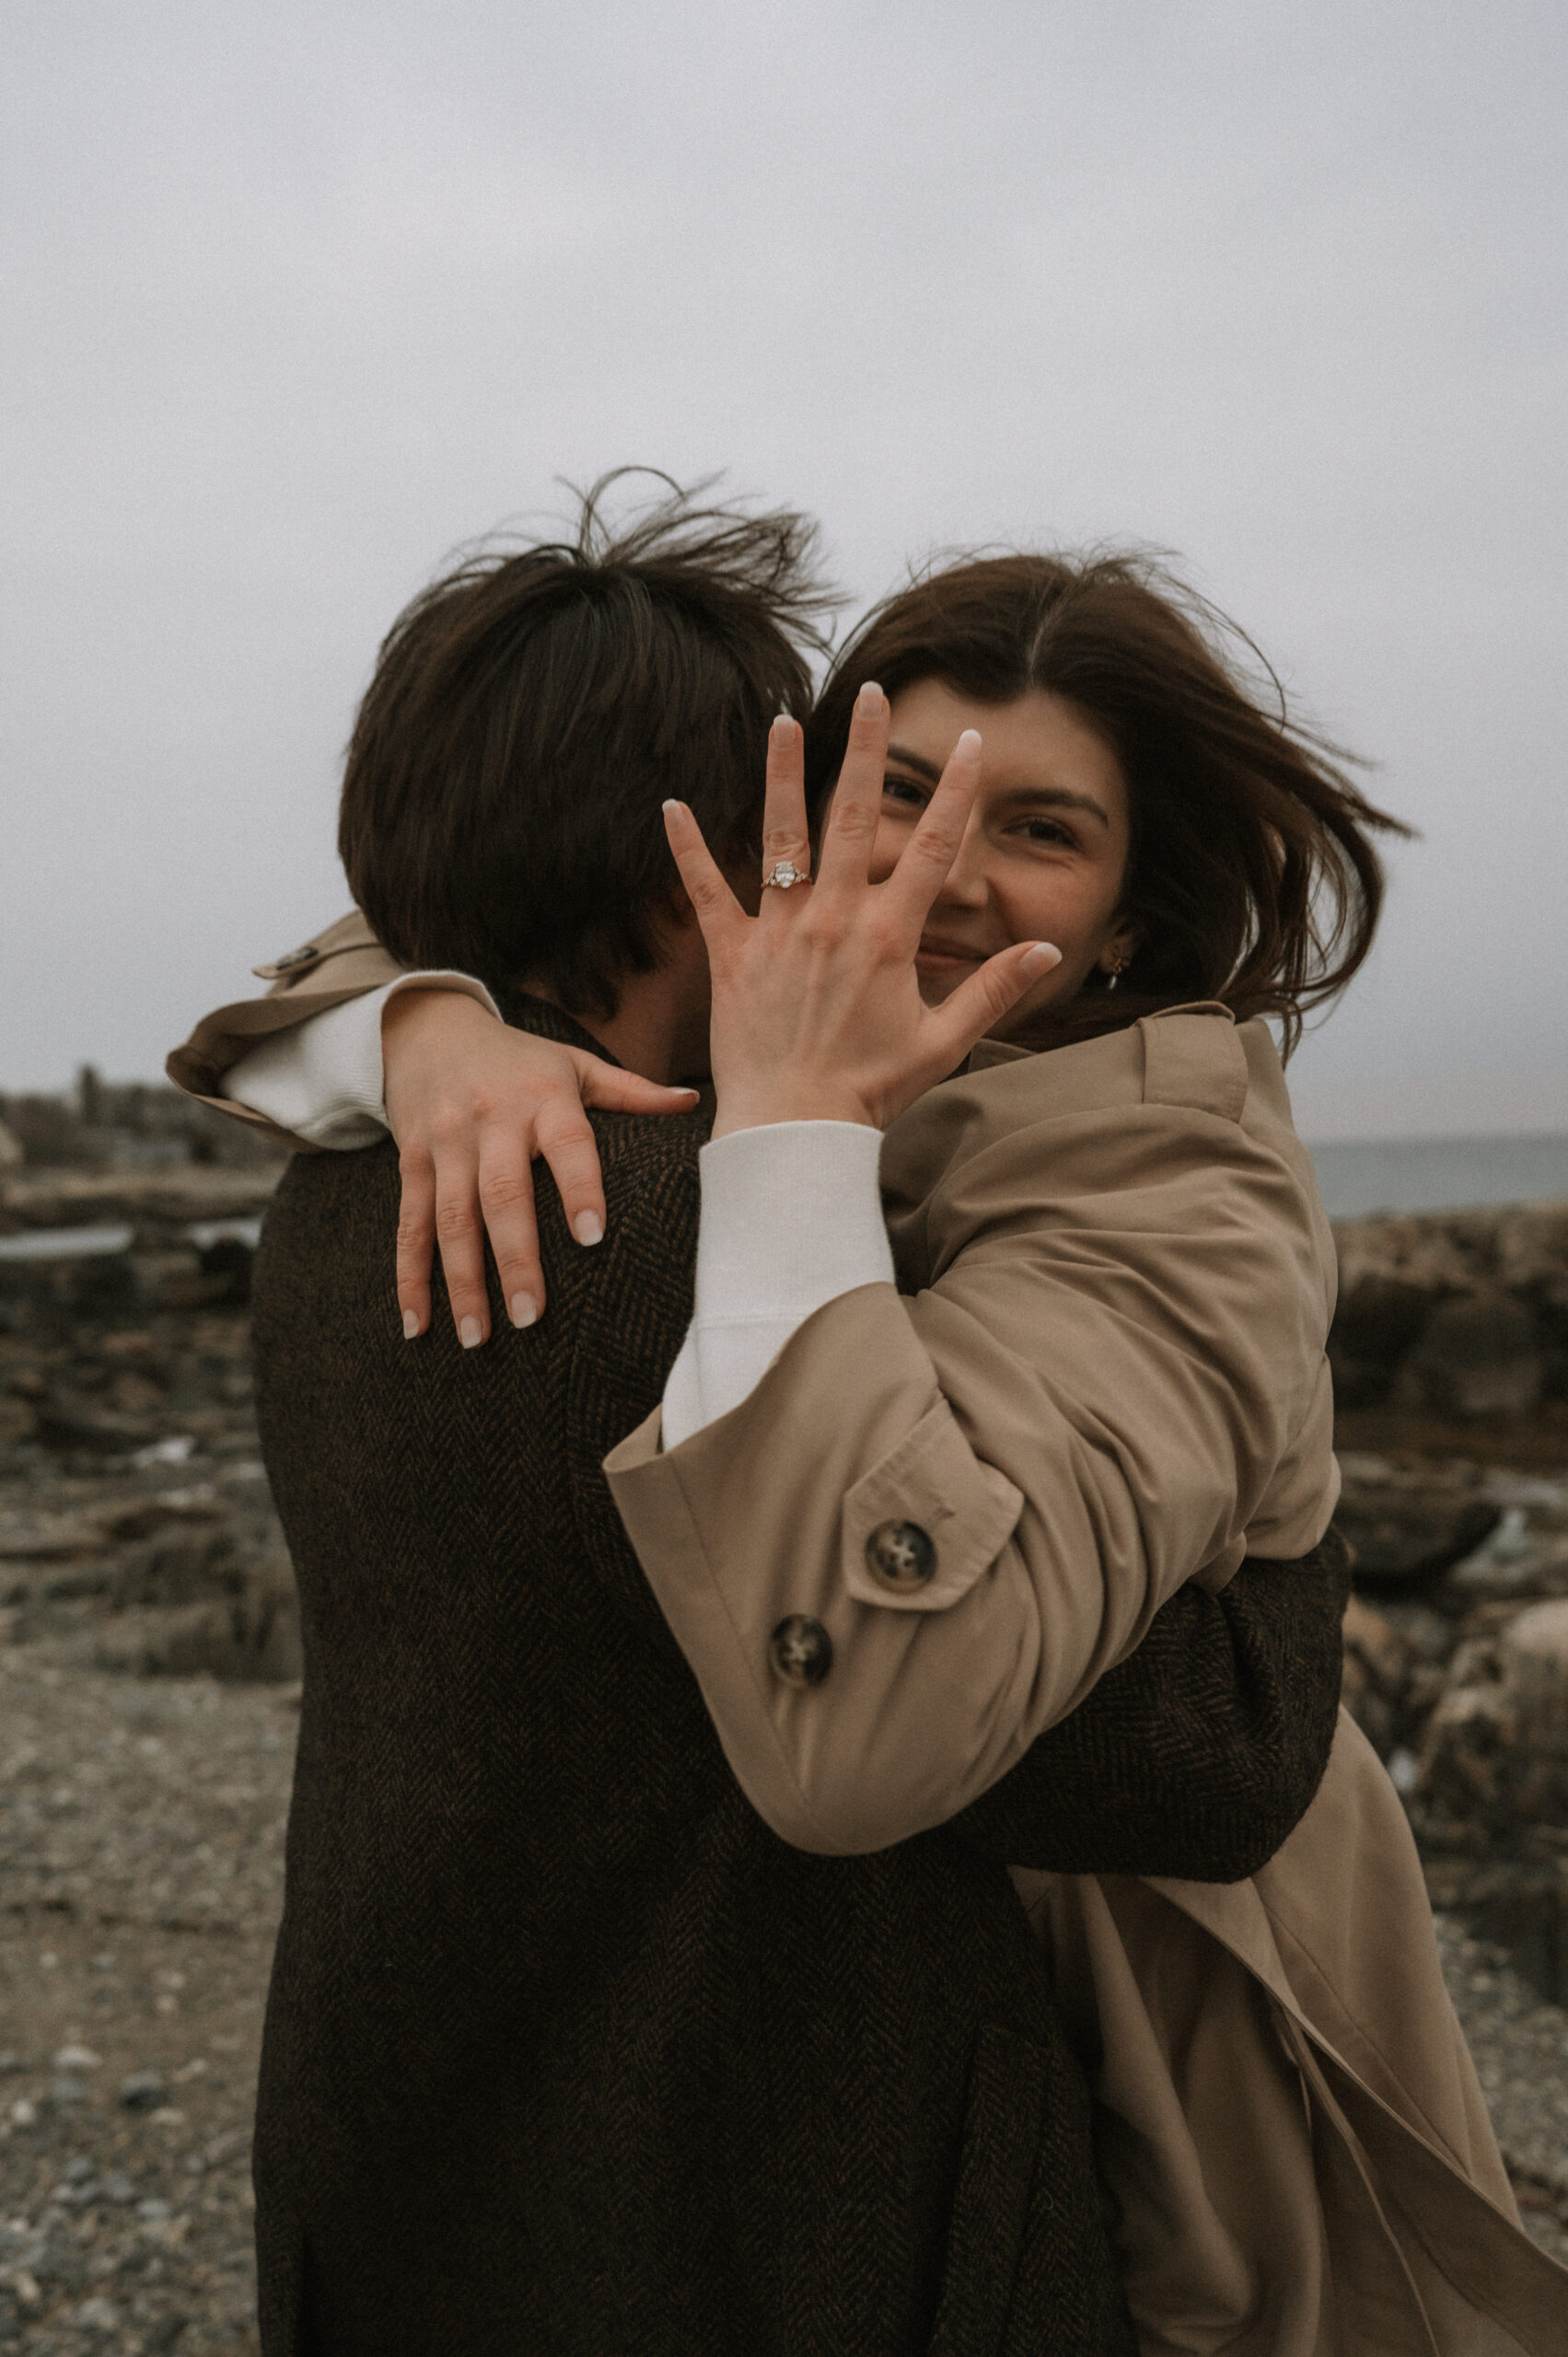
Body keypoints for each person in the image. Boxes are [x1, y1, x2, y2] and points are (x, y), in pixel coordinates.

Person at [182, 531, 1568, 2351]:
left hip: (427, 2131)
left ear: (1135, 924)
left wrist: (423, 1026)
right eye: (901, 790)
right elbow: (1198, 1749)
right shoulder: (662, 1208)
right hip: (779, 2191)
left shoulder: (1154, 1171)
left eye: (1041, 828)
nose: (940, 868)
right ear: (755, 827)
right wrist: (1276, 1635)